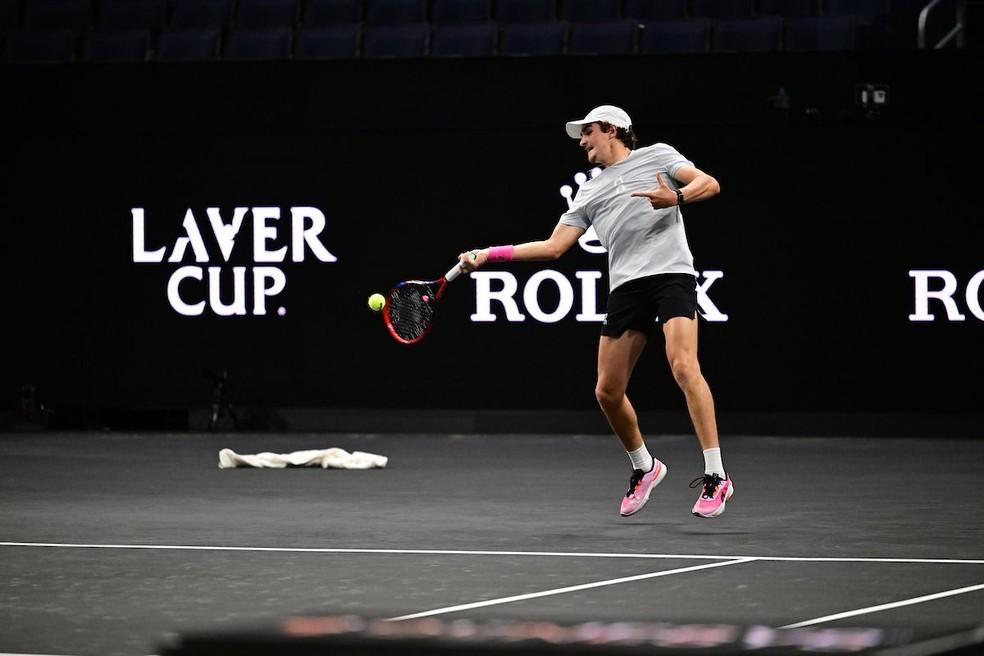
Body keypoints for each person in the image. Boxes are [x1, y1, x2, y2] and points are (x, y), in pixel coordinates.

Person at [457, 105, 733, 519]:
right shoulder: (589, 190)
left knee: (683, 366)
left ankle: (716, 475)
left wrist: (674, 196)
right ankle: (645, 467)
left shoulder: (659, 155)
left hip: (671, 275)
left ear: (612, 130)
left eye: (587, 132)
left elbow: (709, 184)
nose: (582, 141)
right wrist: (488, 254)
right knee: (606, 391)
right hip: (626, 287)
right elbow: (554, 247)